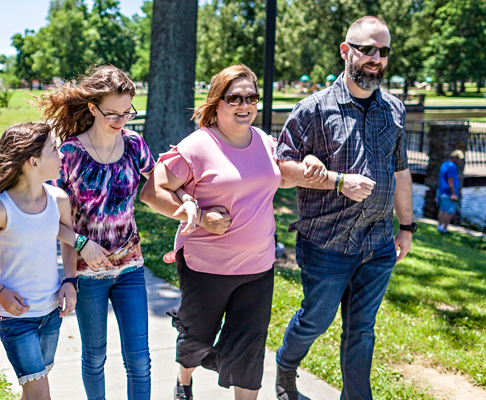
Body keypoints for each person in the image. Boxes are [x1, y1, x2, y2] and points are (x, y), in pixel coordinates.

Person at [139, 64, 323, 400]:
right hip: (205, 266)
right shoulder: (198, 145)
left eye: (251, 97)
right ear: (217, 102)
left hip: (257, 266)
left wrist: (311, 164)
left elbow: (283, 174)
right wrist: (200, 216)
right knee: (196, 340)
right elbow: (152, 192)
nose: (245, 105)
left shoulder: (266, 142)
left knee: (250, 350)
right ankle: (184, 381)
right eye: (235, 97)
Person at [274, 16, 415, 400]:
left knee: (362, 330)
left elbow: (400, 172)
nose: (375, 58)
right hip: (326, 244)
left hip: (378, 244)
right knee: (315, 321)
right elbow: (283, 172)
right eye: (367, 49)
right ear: (346, 50)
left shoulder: (395, 110)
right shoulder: (313, 109)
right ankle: (286, 367)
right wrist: (336, 181)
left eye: (383, 51)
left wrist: (407, 227)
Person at [40, 65, 155, 400]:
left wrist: (189, 200)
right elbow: (49, 217)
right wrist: (78, 254)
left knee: (140, 360)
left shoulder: (135, 145)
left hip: (131, 267)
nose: (121, 120)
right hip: (89, 274)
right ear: (92, 108)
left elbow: (162, 181)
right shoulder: (69, 155)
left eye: (127, 112)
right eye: (112, 113)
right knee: (95, 358)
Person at [0, 122, 94, 400]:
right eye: (54, 150)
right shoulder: (1, 208)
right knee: (40, 394)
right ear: (34, 161)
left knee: (33, 391)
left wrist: (70, 282)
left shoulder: (59, 199)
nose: (61, 156)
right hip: (16, 318)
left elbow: (67, 241)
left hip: (51, 314)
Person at [437, 150, 465, 234]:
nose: (460, 161)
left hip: (442, 191)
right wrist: (453, 194)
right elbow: (450, 180)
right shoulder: (452, 166)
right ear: (454, 157)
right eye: (459, 159)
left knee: (442, 209)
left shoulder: (445, 164)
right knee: (450, 212)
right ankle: (444, 229)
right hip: (448, 193)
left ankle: (439, 226)